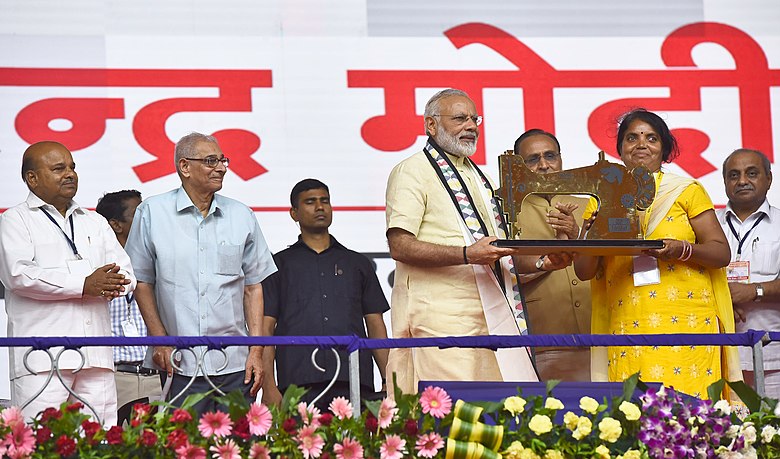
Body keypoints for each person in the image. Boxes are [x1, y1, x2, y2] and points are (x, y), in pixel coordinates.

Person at [384, 88, 569, 395]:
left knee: (497, 415)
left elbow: (498, 252)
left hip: (492, 319)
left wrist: (544, 261)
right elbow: (400, 246)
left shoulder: (477, 176)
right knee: (448, 417)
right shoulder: (412, 171)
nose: (471, 125)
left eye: (474, 118)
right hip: (441, 323)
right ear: (431, 125)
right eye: (459, 118)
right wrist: (467, 254)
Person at [574, 109, 740, 398]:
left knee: (692, 414)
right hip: (628, 322)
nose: (641, 144)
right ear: (621, 149)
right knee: (633, 414)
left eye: (651, 138)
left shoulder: (686, 190)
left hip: (688, 326)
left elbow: (720, 252)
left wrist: (681, 250)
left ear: (663, 148)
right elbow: (584, 271)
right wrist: (594, 229)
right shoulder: (602, 198)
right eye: (631, 138)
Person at [125, 132, 276, 414]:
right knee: (183, 448)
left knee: (236, 447)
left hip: (235, 363)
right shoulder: (152, 212)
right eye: (210, 161)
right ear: (184, 167)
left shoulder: (242, 215)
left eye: (222, 160)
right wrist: (159, 340)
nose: (221, 168)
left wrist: (256, 351)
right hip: (178, 362)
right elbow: (141, 282)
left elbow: (253, 287)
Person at [0, 141, 135, 426]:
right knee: (39, 442)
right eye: (59, 168)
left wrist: (114, 283)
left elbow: (127, 272)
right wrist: (84, 283)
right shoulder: (15, 220)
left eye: (72, 167)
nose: (70, 174)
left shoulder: (95, 221)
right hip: (41, 359)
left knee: (101, 441)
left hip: (96, 355)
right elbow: (18, 274)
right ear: (32, 178)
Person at [262, 179, 389, 409]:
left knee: (353, 446)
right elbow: (266, 329)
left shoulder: (357, 263)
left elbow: (375, 325)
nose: (320, 207)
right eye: (310, 202)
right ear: (294, 213)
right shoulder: (278, 265)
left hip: (354, 380)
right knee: (300, 446)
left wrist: (389, 378)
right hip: (296, 383)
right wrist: (269, 386)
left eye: (325, 201)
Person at [716, 148, 780, 408]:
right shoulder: (709, 225)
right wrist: (721, 296)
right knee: (726, 439)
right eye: (734, 175)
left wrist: (753, 291)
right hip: (720, 352)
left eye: (751, 173)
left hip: (776, 354)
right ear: (725, 182)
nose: (742, 181)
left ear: (769, 179)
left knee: (778, 436)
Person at [514, 129, 592, 381]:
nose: (544, 165)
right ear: (518, 167)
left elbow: (606, 263)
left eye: (550, 156)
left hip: (598, 333)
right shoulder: (505, 210)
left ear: (561, 159)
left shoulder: (589, 204)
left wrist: (576, 231)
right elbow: (500, 269)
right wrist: (545, 262)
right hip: (542, 338)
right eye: (533, 159)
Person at [96, 190, 162, 425]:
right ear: (115, 225)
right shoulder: (97, 269)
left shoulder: (160, 263)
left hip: (156, 377)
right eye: (138, 213)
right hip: (113, 376)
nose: (147, 218)